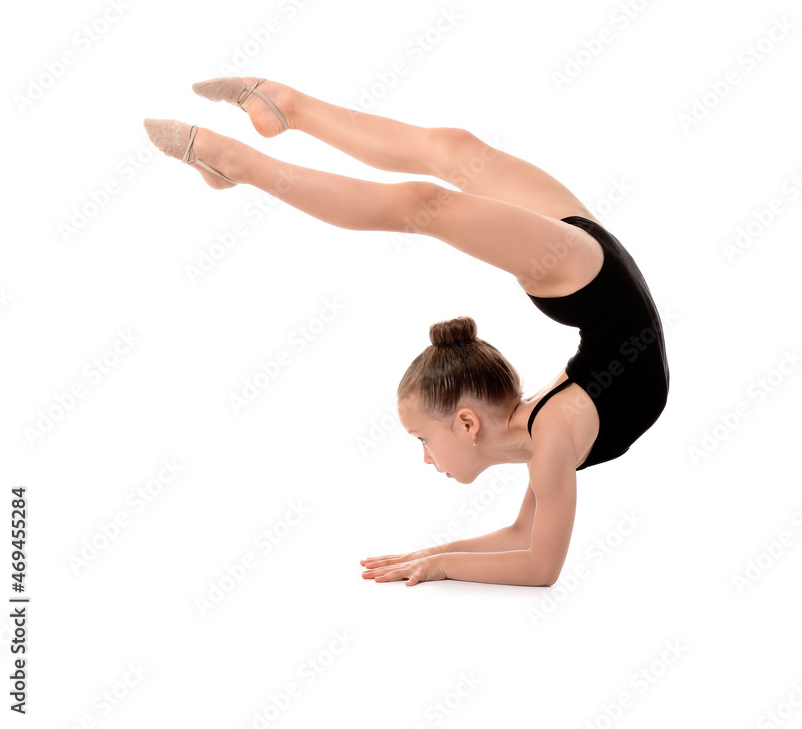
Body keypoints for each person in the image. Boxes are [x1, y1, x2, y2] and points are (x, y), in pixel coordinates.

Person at [144, 76, 669, 588]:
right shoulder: (549, 441)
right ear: (467, 423)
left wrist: (433, 556)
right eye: (423, 439)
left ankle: (283, 106)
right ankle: (236, 159)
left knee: (453, 154)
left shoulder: (544, 438)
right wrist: (438, 561)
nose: (424, 456)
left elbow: (525, 543)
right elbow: (536, 563)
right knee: (426, 197)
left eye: (420, 440)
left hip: (594, 270)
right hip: (587, 274)